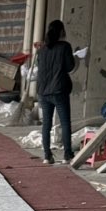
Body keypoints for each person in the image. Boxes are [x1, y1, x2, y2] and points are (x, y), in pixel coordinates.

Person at [36, 20, 76, 164]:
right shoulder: (65, 47)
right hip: (59, 91)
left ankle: (47, 156)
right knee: (65, 123)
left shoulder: (41, 50)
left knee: (46, 124)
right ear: (61, 31)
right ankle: (67, 155)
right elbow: (70, 67)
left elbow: (40, 67)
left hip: (43, 91)